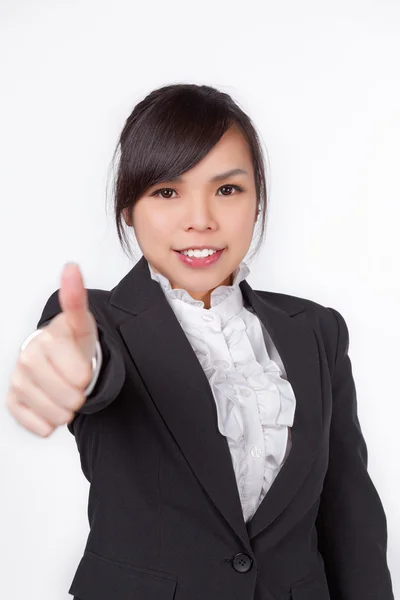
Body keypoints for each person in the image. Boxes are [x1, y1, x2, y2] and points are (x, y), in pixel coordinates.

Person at [6, 83, 394, 600]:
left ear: (257, 200)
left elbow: (350, 518)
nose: (201, 220)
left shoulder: (316, 330)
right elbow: (88, 363)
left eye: (227, 189)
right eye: (167, 192)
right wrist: (67, 363)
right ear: (128, 206)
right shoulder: (95, 321)